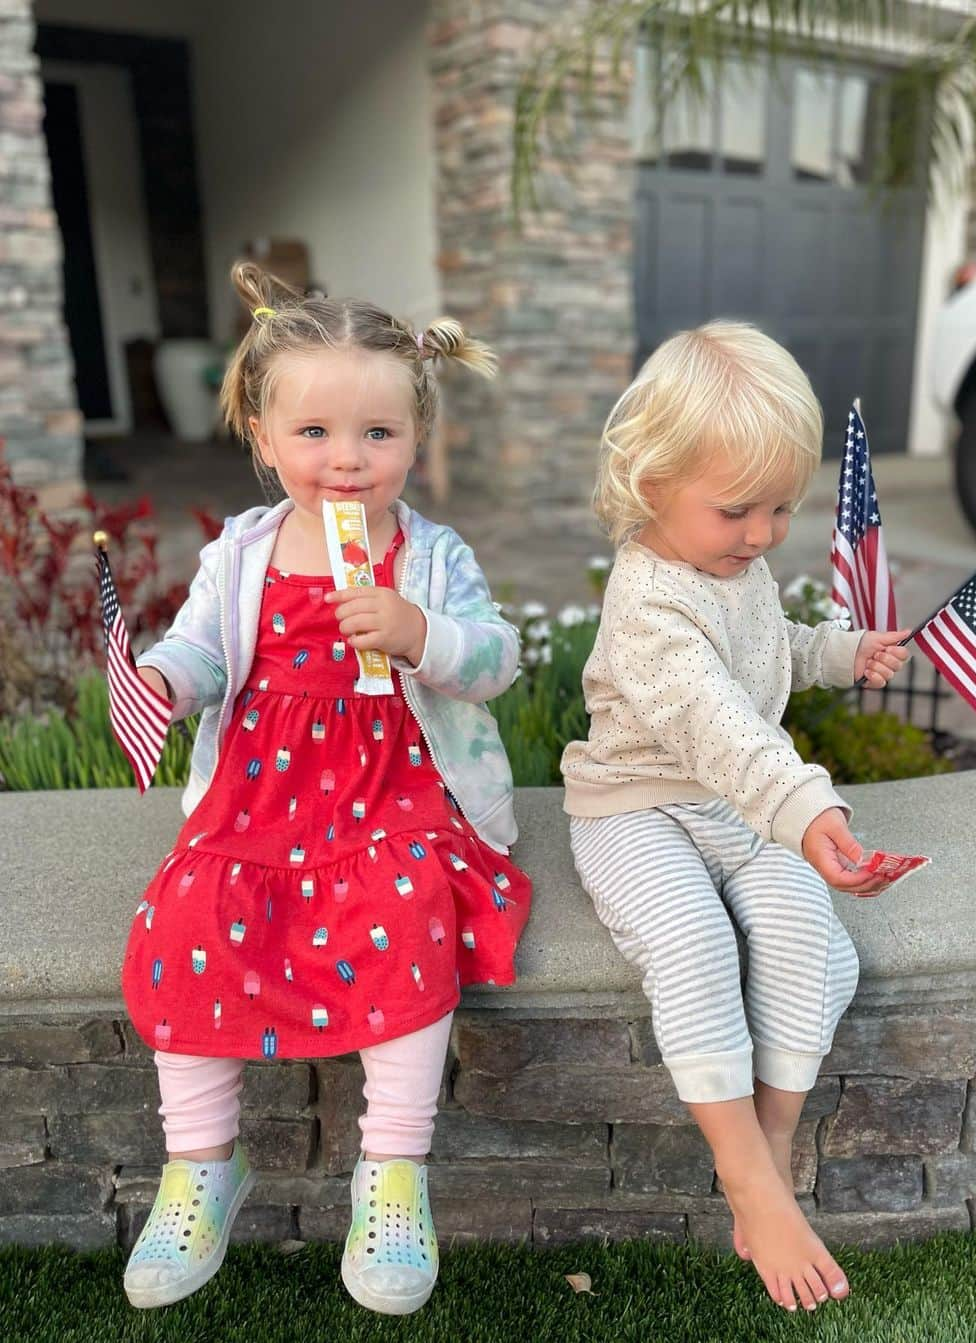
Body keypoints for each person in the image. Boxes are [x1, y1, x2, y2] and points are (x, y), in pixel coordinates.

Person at [121, 262, 531, 1316]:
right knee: (186, 917)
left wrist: (422, 635)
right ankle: (201, 1163)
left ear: (416, 439)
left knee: (406, 914)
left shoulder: (431, 555)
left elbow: (497, 657)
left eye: (378, 435)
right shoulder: (243, 551)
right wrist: (167, 678)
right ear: (262, 438)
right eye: (312, 434)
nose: (345, 459)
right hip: (260, 796)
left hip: (394, 785)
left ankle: (394, 1169)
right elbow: (205, 647)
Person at [561, 321, 911, 1315]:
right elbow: (716, 723)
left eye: (780, 509)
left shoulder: (732, 566)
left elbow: (766, 646)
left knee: (812, 940)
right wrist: (806, 810)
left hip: (738, 804)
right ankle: (750, 1176)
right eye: (736, 510)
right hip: (638, 808)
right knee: (697, 946)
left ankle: (771, 1140)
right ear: (649, 479)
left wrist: (839, 654)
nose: (760, 534)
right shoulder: (648, 604)